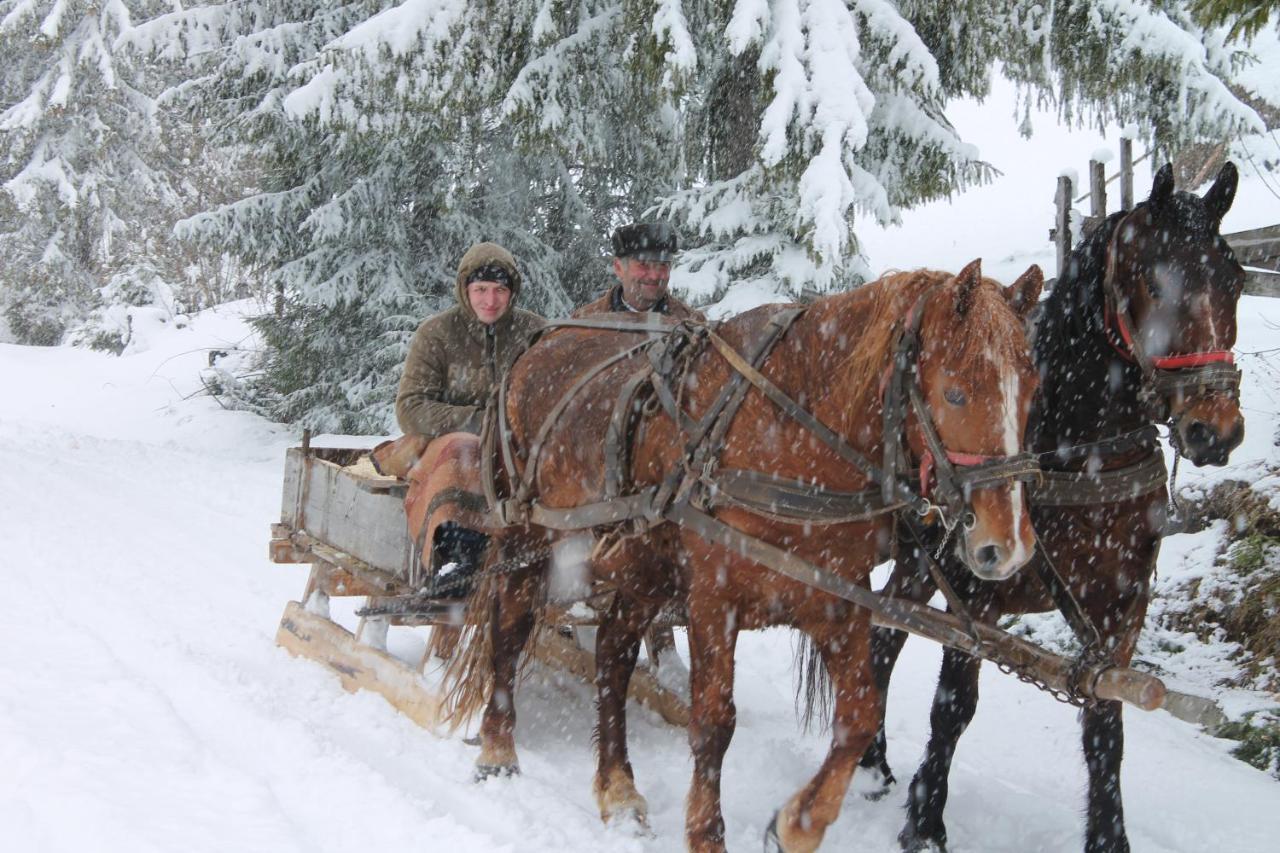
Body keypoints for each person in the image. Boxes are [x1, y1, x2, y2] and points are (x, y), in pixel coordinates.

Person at [393, 241, 543, 592]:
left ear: (512, 291)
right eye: (480, 290)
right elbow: (410, 407)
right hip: (449, 449)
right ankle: (460, 557)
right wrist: (480, 423)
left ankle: (552, 555)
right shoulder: (437, 334)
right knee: (467, 450)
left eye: (499, 290)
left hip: (519, 445)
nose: (490, 301)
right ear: (465, 289)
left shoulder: (535, 333)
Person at [573, 222, 703, 319]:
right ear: (618, 268)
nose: (654, 276)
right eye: (643, 265)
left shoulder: (691, 323)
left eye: (663, 265)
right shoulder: (584, 322)